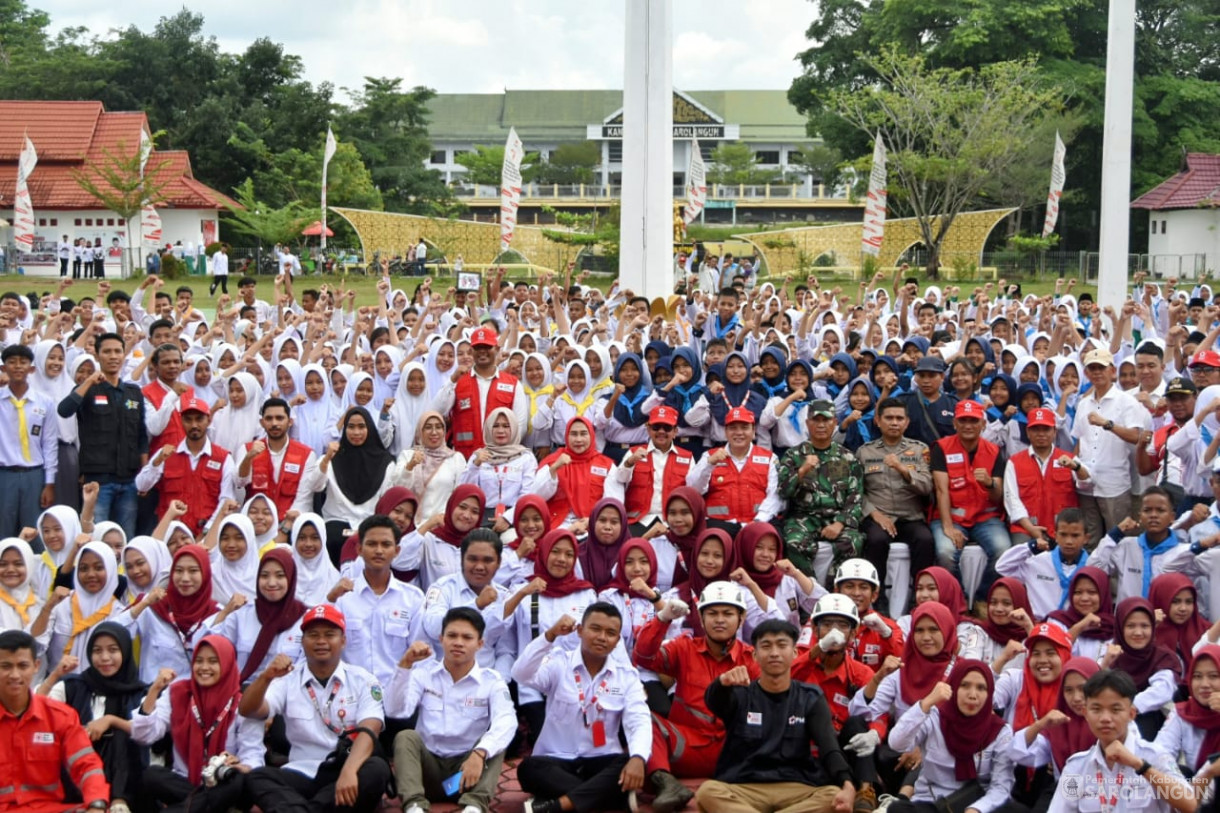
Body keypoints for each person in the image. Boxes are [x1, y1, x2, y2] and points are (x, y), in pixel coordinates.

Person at [238, 604, 393, 813]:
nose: (321, 641)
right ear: (302, 641)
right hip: (300, 772)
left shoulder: (363, 680)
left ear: (343, 641)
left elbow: (370, 730)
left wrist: (349, 770)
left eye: (330, 634)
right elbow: (249, 710)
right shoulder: (287, 679)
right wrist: (266, 677)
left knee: (377, 770)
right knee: (256, 777)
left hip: (344, 769)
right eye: (313, 635)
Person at [695, 619, 857, 813]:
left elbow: (829, 747)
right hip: (744, 787)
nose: (774, 653)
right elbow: (713, 700)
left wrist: (847, 784)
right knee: (707, 792)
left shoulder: (810, 697)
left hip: (796, 787)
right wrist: (721, 682)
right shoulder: (739, 693)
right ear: (755, 655)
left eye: (782, 645)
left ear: (795, 653)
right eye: (766, 646)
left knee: (832, 795)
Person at [632, 581, 759, 813]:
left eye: (727, 613)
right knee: (643, 717)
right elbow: (643, 656)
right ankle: (667, 785)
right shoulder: (684, 647)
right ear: (701, 619)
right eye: (712, 613)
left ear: (741, 619)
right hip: (686, 747)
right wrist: (662, 618)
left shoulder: (752, 659)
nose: (719, 619)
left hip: (732, 754)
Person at [512, 602, 652, 813]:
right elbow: (521, 674)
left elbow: (639, 720)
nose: (602, 637)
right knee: (529, 769)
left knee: (630, 761)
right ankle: (608, 798)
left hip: (602, 761)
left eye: (611, 633)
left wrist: (638, 758)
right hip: (556, 759)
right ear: (580, 630)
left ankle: (559, 805)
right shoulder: (559, 662)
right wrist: (549, 635)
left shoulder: (627, 676)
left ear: (617, 642)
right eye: (595, 629)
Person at [388, 607, 516, 813]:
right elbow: (396, 711)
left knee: (496, 742)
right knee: (406, 737)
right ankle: (414, 806)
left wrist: (480, 754)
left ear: (480, 644)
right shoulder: (424, 673)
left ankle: (474, 806)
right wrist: (405, 665)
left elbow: (507, 721)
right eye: (452, 635)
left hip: (466, 776)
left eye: (467, 637)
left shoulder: (491, 681)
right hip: (426, 775)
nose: (458, 642)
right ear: (441, 639)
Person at [132, 635, 263, 813]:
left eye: (213, 661)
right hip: (186, 782)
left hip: (224, 783)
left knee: (238, 781)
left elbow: (253, 755)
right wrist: (155, 689)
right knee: (152, 775)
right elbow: (144, 735)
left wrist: (240, 765)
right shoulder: (178, 693)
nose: (204, 668)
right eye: (199, 661)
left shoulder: (242, 704)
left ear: (226, 665)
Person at [1048, 669, 1195, 813]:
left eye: (1115, 710)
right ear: (1086, 713)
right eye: (1096, 709)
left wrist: (1140, 765)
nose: (1105, 718)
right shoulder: (1076, 767)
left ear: (1131, 713)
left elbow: (1190, 805)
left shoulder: (1155, 756)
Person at [886, 658, 1020, 813]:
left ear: (989, 693)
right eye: (964, 685)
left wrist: (976, 809)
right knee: (898, 810)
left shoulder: (999, 731)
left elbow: (1001, 787)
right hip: (933, 804)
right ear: (953, 687)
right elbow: (896, 742)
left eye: (981, 688)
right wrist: (927, 702)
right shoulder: (935, 717)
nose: (972, 695)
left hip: (976, 804)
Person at [790, 594, 885, 811]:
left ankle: (865, 791)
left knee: (857, 723)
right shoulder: (803, 665)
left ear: (853, 633)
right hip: (805, 747)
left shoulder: (861, 673)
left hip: (844, 748)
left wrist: (875, 734)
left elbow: (879, 712)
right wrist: (818, 649)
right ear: (815, 629)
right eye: (827, 624)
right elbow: (782, 677)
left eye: (842, 625)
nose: (834, 630)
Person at [37, 623, 144, 813]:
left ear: (126, 652)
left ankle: (119, 800)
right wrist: (55, 675)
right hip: (76, 771)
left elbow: (148, 731)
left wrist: (110, 720)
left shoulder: (139, 692)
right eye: (97, 651)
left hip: (126, 777)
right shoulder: (73, 686)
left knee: (119, 733)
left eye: (113, 650)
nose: (104, 658)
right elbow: (38, 708)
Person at [0, 629, 110, 813]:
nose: (15, 675)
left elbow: (87, 765)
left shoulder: (60, 716)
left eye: (22, 666)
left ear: (36, 666)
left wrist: (96, 804)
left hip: (49, 809)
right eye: (5, 666)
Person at [58, 333, 147, 537]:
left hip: (130, 479)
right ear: (97, 356)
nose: (113, 356)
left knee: (126, 537)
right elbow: (64, 410)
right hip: (98, 482)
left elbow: (141, 436)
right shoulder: (88, 389)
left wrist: (144, 475)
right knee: (95, 537)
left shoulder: (133, 393)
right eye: (107, 351)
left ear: (124, 355)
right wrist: (89, 380)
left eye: (118, 351)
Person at [855, 397, 935, 614]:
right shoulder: (865, 452)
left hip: (910, 516)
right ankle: (876, 600)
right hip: (878, 517)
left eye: (899, 418)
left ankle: (919, 600)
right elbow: (856, 492)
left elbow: (927, 486)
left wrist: (902, 469)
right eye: (889, 418)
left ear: (907, 422)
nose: (894, 422)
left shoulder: (919, 450)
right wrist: (874, 514)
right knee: (876, 540)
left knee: (926, 540)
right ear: (878, 421)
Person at [929, 398, 1011, 599]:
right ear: (954, 423)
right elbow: (941, 489)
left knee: (1003, 551)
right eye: (963, 420)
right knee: (945, 553)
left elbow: (998, 493)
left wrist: (990, 483)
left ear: (983, 424)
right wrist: (948, 526)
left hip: (985, 517)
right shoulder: (941, 447)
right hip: (952, 516)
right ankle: (960, 600)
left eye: (973, 421)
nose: (968, 426)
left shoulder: (994, 451)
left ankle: (983, 599)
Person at [776, 398, 865, 581]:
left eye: (826, 420)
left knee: (853, 542)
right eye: (816, 420)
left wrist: (840, 524)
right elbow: (783, 492)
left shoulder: (847, 457)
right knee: (792, 543)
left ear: (835, 422)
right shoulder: (794, 455)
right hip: (803, 518)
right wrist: (801, 472)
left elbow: (855, 498)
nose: (821, 425)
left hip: (837, 518)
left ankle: (835, 590)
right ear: (808, 423)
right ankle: (809, 591)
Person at [1072, 347, 1153, 544]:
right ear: (1086, 373)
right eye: (1093, 368)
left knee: (1119, 540)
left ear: (1112, 371)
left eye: (1102, 367)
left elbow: (1137, 436)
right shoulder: (1083, 404)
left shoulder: (1126, 401)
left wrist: (1107, 424)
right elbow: (1079, 440)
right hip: (1086, 483)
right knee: (1090, 540)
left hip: (1113, 484)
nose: (1097, 372)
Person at [333, 514, 426, 688]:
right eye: (371, 544)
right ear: (359, 550)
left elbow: (421, 655)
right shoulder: (343, 599)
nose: (378, 550)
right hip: (352, 696)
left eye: (386, 544)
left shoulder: (413, 599)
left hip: (397, 696)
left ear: (397, 551)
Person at [136, 396, 236, 536]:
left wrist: (208, 532)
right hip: (170, 536)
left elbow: (226, 499)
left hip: (206, 536)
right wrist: (157, 462)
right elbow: (141, 485)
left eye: (199, 419)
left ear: (208, 419)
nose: (194, 425)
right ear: (181, 421)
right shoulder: (166, 453)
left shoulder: (224, 458)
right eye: (188, 419)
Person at [309, 406, 404, 553]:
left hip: (370, 523)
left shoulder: (385, 463)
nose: (356, 432)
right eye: (351, 427)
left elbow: (386, 500)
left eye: (361, 427)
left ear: (370, 428)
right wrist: (326, 459)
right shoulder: (331, 458)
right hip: (336, 520)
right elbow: (315, 486)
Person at [434, 326, 527, 460]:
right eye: (478, 348)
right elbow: (437, 411)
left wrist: (504, 454)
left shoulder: (512, 384)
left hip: (499, 459)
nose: (482, 351)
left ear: (496, 349)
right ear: (472, 351)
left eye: (487, 347)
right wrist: (452, 380)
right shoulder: (458, 381)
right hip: (465, 458)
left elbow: (520, 425)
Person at [687, 406, 782, 530]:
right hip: (719, 526)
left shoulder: (769, 458)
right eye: (733, 428)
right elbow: (693, 489)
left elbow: (775, 495)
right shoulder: (709, 456)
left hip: (758, 525)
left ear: (753, 431)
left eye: (744, 427)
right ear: (725, 432)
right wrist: (709, 464)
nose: (739, 432)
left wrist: (759, 520)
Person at [1003, 406, 1086, 548]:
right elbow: (1012, 500)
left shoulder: (1069, 459)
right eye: (1036, 429)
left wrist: (1076, 467)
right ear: (1028, 432)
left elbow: (1087, 484)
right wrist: (1031, 529)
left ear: (1054, 431)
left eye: (1046, 429)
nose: (1041, 434)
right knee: (1021, 557)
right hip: (1026, 529)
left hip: (1064, 531)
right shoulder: (1014, 462)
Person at [607, 405, 696, 532]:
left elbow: (696, 490)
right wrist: (630, 462)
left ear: (675, 431)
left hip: (673, 521)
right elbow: (620, 479)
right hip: (639, 520)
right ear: (648, 429)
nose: (661, 431)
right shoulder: (634, 452)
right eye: (656, 427)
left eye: (667, 428)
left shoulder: (687, 457)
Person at [0, 344, 58, 538]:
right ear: (3, 368)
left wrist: (49, 482)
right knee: (3, 530)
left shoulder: (44, 402)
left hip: (34, 474)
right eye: (11, 362)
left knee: (33, 531)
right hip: (4, 473)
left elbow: (49, 444)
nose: (17, 367)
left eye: (23, 362)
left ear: (31, 369)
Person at [996, 507, 1091, 620]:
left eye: (1075, 536)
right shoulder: (1037, 562)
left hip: (1076, 627)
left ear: (1086, 538)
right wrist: (1029, 547)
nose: (1068, 541)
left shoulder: (1092, 565)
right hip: (1040, 626)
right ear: (1055, 535)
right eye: (1063, 535)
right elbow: (1002, 566)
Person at [236, 397, 319, 519]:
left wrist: (285, 527)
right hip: (255, 522)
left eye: (279, 418)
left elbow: (303, 500)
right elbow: (239, 482)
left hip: (289, 522)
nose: (274, 423)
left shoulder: (306, 455)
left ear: (290, 422)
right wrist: (248, 458)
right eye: (269, 419)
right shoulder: (248, 449)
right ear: (262, 423)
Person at [533, 416, 614, 527]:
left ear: (591, 435)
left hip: (593, 525)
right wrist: (554, 469)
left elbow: (612, 502)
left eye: (583, 434)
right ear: (566, 436)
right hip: (557, 524)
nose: (578, 439)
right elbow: (536, 497)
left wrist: (593, 521)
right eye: (574, 434)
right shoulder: (552, 461)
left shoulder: (606, 464)